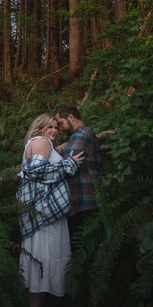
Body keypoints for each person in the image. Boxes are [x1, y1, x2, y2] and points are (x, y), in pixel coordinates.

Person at [17, 113, 84, 307]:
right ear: (39, 127)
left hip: (43, 217)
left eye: (56, 127)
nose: (53, 130)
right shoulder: (41, 142)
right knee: (40, 268)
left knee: (40, 269)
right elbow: (36, 172)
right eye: (49, 126)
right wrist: (70, 165)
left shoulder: (36, 143)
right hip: (44, 220)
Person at [53, 103, 104, 240]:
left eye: (60, 122)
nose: (59, 128)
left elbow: (67, 166)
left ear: (71, 117)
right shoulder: (78, 135)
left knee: (83, 248)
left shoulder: (82, 135)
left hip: (85, 202)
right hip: (82, 202)